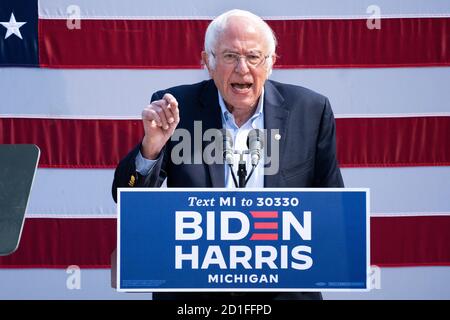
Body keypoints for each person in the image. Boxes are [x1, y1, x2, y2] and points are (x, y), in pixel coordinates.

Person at [112, 9, 344, 300]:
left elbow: (333, 205)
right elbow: (125, 199)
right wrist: (152, 146)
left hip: (283, 292)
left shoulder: (311, 110)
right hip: (194, 295)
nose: (242, 69)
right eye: (230, 56)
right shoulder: (176, 108)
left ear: (271, 63)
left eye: (253, 57)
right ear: (208, 62)